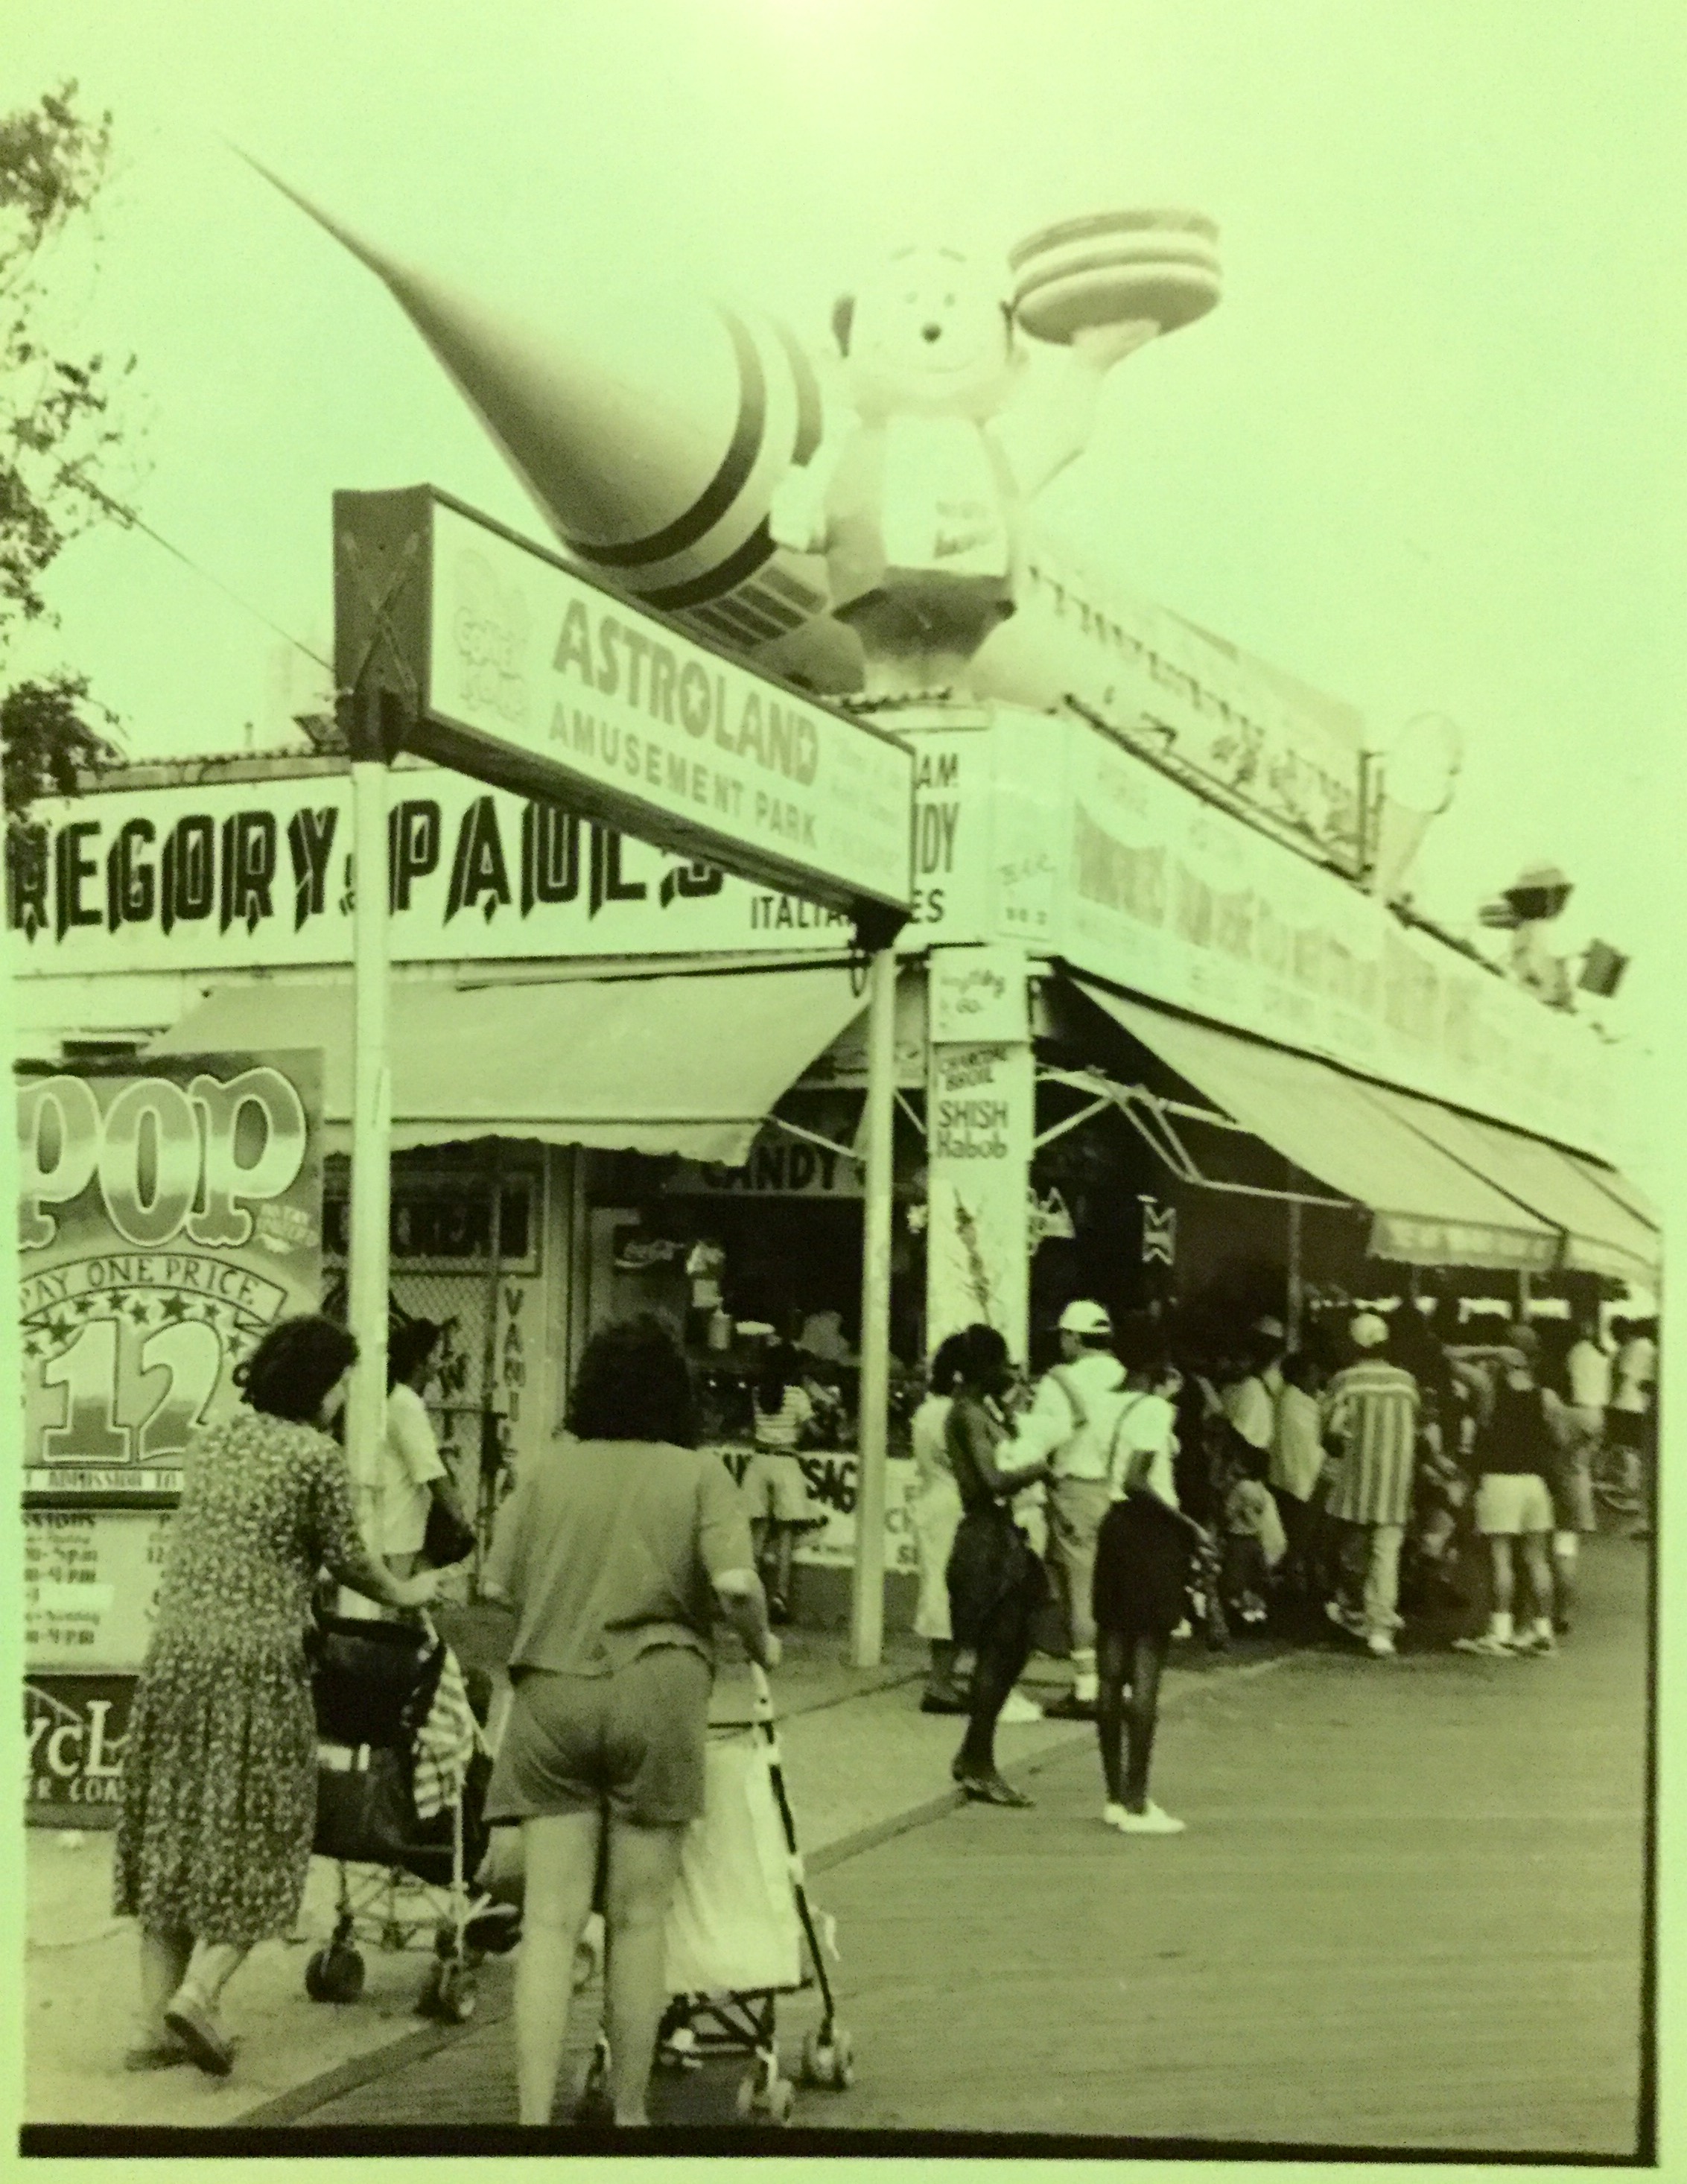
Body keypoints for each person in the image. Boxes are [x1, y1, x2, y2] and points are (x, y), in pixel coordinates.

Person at [114, 1316, 440, 2077]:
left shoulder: (214, 1440)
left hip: (176, 1659)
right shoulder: (313, 1456)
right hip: (258, 1667)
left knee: (176, 1824)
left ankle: (150, 2024)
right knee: (268, 1825)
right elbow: (353, 1562)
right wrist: (409, 1588)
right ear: (324, 1386)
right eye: (341, 1387)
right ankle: (199, 1993)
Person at [479, 1314, 778, 2127]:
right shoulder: (700, 1474)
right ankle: (632, 2112)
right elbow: (739, 1586)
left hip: (553, 1699)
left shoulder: (542, 1473)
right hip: (657, 1692)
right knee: (640, 1921)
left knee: (548, 1922)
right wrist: (763, 1644)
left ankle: (533, 2119)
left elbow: (496, 1589)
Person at [1093, 1354, 1205, 1833]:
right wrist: (1188, 1525)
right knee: (1146, 1667)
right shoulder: (1156, 1411)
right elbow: (1137, 1479)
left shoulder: (1114, 1409)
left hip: (1115, 1531)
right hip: (1149, 1535)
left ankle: (1116, 1796)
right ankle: (1138, 1802)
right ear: (1168, 1378)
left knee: (1111, 1668)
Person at [944, 1324, 1056, 1806]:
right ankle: (978, 1757)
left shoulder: (980, 1412)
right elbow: (991, 1479)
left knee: (1014, 1642)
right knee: (1001, 1644)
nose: (1010, 1372)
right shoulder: (967, 1415)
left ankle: (975, 1752)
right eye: (1003, 1363)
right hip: (988, 1539)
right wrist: (1039, 1467)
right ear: (983, 1368)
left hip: (1000, 1537)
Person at [1007, 1300, 1130, 1718]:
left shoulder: (1060, 1382)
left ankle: (1086, 1689)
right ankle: (1122, 1682)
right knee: (1115, 1589)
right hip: (1121, 1493)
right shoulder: (1128, 1377)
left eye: (1063, 1335)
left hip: (1076, 1491)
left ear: (1074, 1338)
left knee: (1081, 1592)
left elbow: (1039, 1440)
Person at [1455, 1324, 1563, 1657]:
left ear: (1506, 1352)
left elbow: (1446, 1356)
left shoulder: (1488, 1387)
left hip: (1499, 1481)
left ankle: (1500, 1634)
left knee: (1501, 1558)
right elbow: (1560, 1441)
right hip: (1534, 1484)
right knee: (1537, 1560)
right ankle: (1542, 1633)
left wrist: (1486, 1350)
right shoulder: (1547, 1396)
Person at [1321, 1312, 1421, 1657]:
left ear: (1354, 1344)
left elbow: (1328, 1427)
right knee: (1386, 1555)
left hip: (1356, 1482)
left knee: (1352, 1552)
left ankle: (1353, 1610)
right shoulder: (1406, 1382)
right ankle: (1380, 1629)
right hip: (1396, 1482)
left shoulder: (1346, 1380)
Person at [376, 1318, 474, 1579]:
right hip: (395, 1529)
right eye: (436, 1354)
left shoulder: (399, 1399)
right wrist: (460, 1518)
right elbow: (430, 1471)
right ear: (420, 1361)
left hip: (396, 1523)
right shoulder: (406, 1404)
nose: (441, 1362)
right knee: (396, 1597)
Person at [909, 1333, 970, 1712]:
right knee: (948, 1590)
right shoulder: (953, 1414)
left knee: (939, 1584)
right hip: (952, 1502)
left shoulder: (927, 1411)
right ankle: (940, 1682)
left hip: (933, 1499)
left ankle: (942, 1678)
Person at [742, 1342, 817, 1623]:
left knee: (758, 1534)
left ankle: (749, 1598)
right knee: (785, 1534)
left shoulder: (758, 1393)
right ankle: (779, 1596)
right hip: (786, 1463)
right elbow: (813, 1430)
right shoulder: (797, 1396)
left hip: (759, 1462)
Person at [1554, 1312, 1610, 1627]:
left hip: (1553, 1488)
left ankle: (1542, 1613)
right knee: (1566, 1551)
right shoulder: (1599, 1355)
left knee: (1542, 1554)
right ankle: (1566, 1610)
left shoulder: (1558, 1412)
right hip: (1577, 1491)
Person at [1268, 1350, 1327, 1609]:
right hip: (1302, 1480)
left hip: (1292, 1480)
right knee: (1299, 1541)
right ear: (1301, 1375)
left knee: (1300, 1540)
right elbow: (1311, 1444)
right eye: (1313, 1374)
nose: (1318, 1379)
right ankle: (1295, 1598)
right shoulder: (1293, 1403)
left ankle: (1299, 1593)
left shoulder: (1295, 1399)